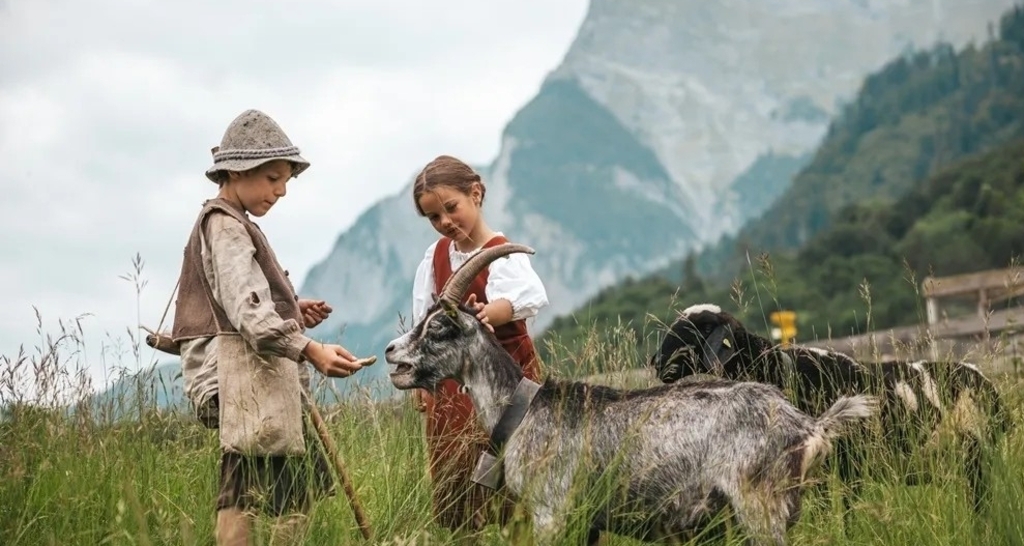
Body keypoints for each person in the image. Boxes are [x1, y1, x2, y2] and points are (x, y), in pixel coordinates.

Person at [171, 109, 367, 546]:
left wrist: (291, 307)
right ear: (238, 172)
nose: (280, 191)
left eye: (285, 181)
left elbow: (238, 300)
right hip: (242, 377)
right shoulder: (226, 226)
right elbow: (248, 313)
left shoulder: (227, 222)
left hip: (247, 376)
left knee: (249, 488)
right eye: (272, 178)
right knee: (281, 495)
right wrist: (309, 348)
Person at [409, 154, 549, 542]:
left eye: (451, 208)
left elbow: (528, 296)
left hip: (507, 377)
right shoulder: (435, 258)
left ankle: (516, 534)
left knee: (511, 468)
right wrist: (424, 382)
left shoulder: (501, 251)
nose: (445, 222)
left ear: (476, 194)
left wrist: (492, 311)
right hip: (454, 386)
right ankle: (467, 536)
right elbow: (425, 319)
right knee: (458, 470)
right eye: (434, 217)